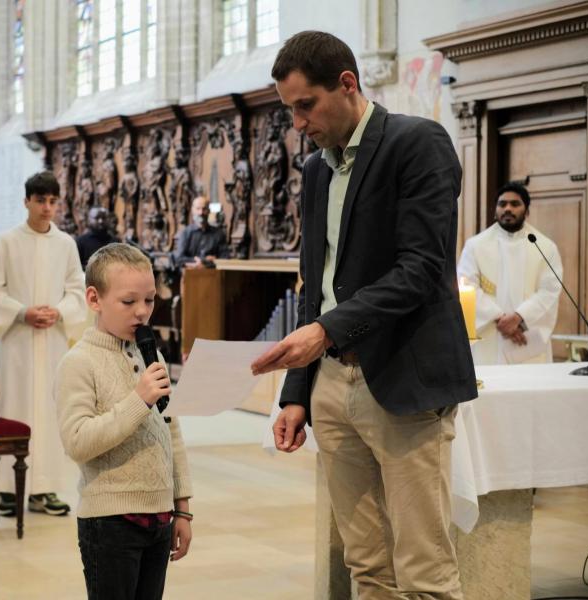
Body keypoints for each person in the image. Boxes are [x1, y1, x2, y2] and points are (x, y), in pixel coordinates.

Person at [251, 31, 476, 599]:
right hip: (331, 385)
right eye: (289, 109)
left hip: (401, 377)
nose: (298, 122)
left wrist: (326, 329)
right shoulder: (317, 172)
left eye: (306, 105)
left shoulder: (416, 142)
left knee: (425, 573)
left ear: (347, 84)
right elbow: (316, 284)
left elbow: (421, 269)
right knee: (366, 567)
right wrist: (297, 392)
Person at [56, 243, 192, 600]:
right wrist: (138, 400)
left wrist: (183, 507)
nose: (142, 312)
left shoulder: (151, 353)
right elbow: (78, 442)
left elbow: (170, 430)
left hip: (160, 517)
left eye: (149, 300)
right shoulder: (79, 362)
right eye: (129, 302)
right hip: (111, 522)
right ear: (94, 298)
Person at [0, 171, 87, 517]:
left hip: (53, 341)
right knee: (16, 408)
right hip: (19, 341)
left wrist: (59, 311)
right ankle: (9, 490)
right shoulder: (6, 242)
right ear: (26, 201)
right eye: (40, 200)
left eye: (53, 201)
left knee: (52, 412)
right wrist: (22, 313)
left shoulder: (66, 244)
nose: (47, 208)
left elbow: (78, 291)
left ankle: (45, 489)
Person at [457, 183, 562, 365]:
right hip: (489, 335)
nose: (507, 208)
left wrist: (519, 317)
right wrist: (500, 318)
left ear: (527, 211)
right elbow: (466, 285)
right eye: (502, 204)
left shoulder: (545, 247)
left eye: (515, 204)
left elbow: (550, 290)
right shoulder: (475, 246)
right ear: (495, 210)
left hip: (526, 336)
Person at [173, 196, 229, 269]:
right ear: (193, 210)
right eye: (198, 209)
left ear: (209, 211)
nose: (201, 212)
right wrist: (203, 260)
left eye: (204, 209)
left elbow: (225, 258)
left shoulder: (219, 234)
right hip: (191, 275)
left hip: (213, 274)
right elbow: (179, 258)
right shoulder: (185, 233)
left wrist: (213, 261)